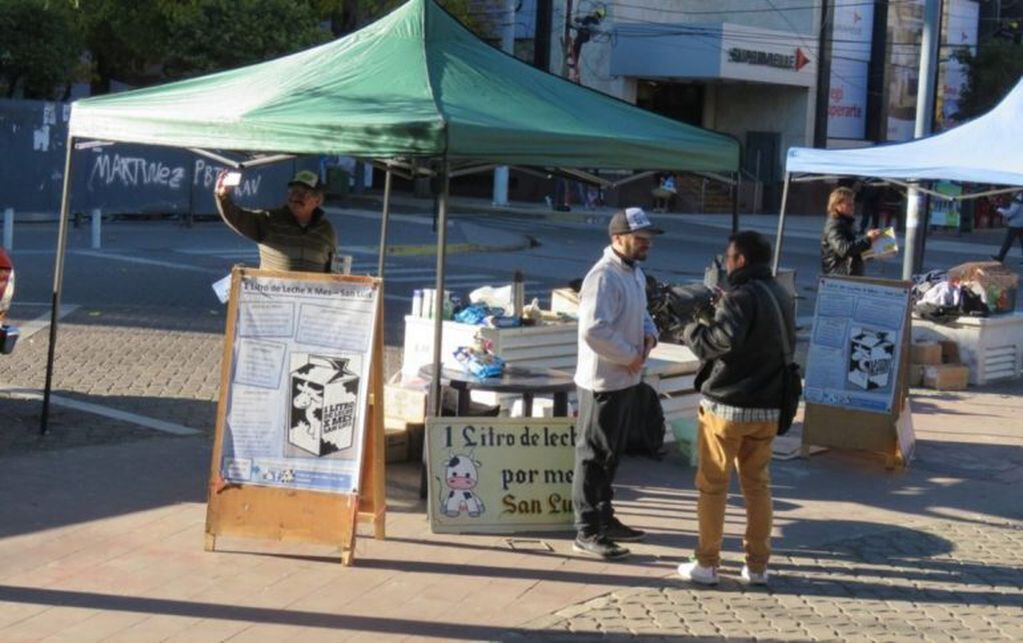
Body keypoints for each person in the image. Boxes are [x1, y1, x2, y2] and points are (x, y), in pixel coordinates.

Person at [676, 230, 795, 586]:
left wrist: (691, 331)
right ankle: (757, 566)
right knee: (758, 486)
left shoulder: (739, 296)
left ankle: (707, 562)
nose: (726, 264)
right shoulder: (781, 295)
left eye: (728, 258)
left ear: (741, 260)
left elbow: (720, 342)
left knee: (713, 485)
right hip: (769, 408)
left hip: (727, 408)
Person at [572, 207, 662, 560]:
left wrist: (650, 337)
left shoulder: (633, 272)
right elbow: (593, 329)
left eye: (648, 239)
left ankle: (605, 517)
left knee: (610, 455)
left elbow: (642, 313)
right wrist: (630, 355)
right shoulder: (603, 276)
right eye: (639, 239)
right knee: (592, 456)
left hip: (625, 378)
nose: (646, 245)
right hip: (603, 382)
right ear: (617, 239)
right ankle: (586, 529)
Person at [215, 169, 337, 273]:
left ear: (318, 200)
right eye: (292, 191)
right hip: (273, 298)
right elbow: (237, 217)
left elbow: (333, 269)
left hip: (311, 299)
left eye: (303, 194)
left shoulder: (326, 230)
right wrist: (223, 197)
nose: (295, 197)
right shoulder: (269, 220)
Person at [821, 186, 882, 276]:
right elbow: (844, 250)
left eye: (853, 204)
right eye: (849, 204)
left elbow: (854, 248)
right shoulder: (834, 224)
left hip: (849, 274)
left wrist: (875, 250)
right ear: (837, 205)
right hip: (838, 277)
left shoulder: (847, 222)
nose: (853, 207)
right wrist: (868, 239)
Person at [992, 192, 1023, 263]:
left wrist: (999, 210)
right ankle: (1000, 257)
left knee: (1007, 242)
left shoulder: (1017, 200)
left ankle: (1000, 258)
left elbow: (1010, 213)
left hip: (1015, 224)